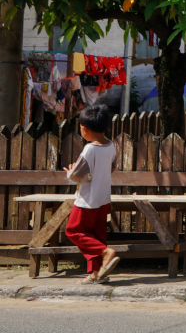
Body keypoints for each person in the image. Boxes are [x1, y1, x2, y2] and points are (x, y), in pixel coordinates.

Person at [64, 104, 119, 283]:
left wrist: (70, 171)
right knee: (95, 237)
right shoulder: (111, 146)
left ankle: (106, 252)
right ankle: (95, 274)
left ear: (84, 128)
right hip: (103, 199)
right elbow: (111, 168)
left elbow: (75, 175)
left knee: (73, 231)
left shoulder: (90, 149)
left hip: (87, 201)